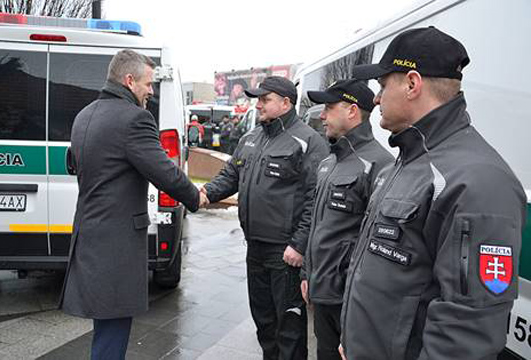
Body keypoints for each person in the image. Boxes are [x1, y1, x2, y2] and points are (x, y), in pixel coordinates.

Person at [339, 26, 526, 360]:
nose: (377, 98)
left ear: (412, 84)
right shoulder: (410, 160)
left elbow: (465, 333)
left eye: (382, 86)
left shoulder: (478, 180)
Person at [59, 49, 205, 360]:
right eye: (148, 84)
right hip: (116, 245)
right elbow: (163, 171)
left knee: (106, 327)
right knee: (113, 333)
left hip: (89, 237)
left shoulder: (83, 116)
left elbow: (76, 165)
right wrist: (196, 196)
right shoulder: (135, 119)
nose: (151, 91)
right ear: (129, 80)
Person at [202, 76, 329, 359]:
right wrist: (204, 194)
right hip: (255, 249)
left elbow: (315, 199)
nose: (258, 105)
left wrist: (298, 244)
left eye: (265, 99)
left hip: (284, 254)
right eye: (258, 99)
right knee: (265, 324)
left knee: (289, 329)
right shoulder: (251, 138)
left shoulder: (309, 142)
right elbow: (230, 175)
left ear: (285, 103)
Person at [301, 80, 393, 360]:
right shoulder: (329, 163)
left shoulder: (381, 164)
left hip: (350, 302)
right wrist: (307, 273)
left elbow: (376, 244)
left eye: (329, 107)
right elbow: (319, 224)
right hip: (322, 293)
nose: (322, 116)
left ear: (352, 111)